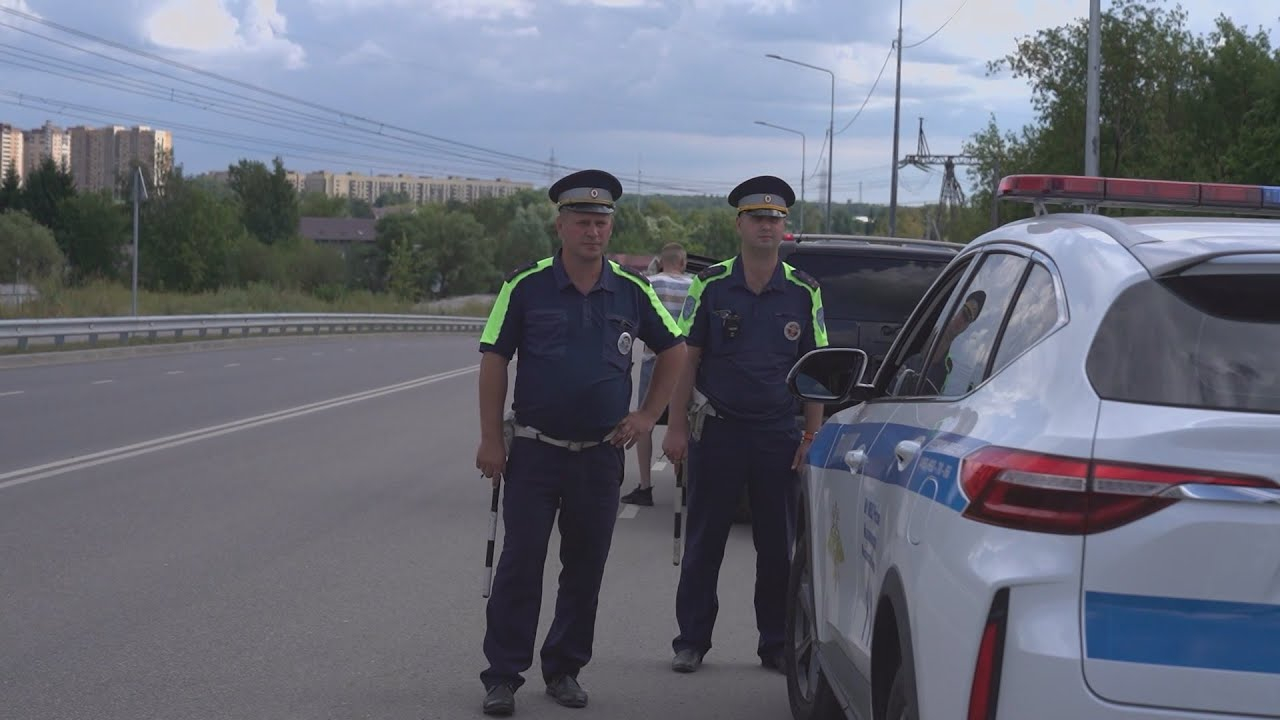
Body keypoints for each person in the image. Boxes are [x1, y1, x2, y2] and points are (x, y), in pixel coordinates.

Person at [474, 169, 686, 717]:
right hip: (535, 451)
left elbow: (675, 350)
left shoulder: (633, 289)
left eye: (601, 223)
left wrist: (648, 415)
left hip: (599, 456)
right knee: (521, 565)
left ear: (610, 229)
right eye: (583, 222)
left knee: (585, 568)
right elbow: (494, 358)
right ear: (561, 226)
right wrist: (490, 438)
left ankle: (564, 669)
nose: (593, 232)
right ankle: (502, 676)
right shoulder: (525, 286)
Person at [661, 175, 828, 674]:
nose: (766, 226)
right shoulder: (710, 284)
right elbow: (687, 360)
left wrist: (811, 436)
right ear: (739, 224)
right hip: (718, 431)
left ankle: (775, 643)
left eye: (774, 219)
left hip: (777, 434)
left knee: (777, 548)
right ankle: (691, 641)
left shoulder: (804, 290)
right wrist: (675, 428)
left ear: (784, 227)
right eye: (757, 218)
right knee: (704, 542)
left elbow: (816, 371)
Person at [620, 242, 694, 507]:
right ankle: (681, 483)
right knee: (684, 423)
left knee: (645, 421)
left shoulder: (650, 283)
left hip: (654, 362)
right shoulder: (694, 285)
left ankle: (645, 486)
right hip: (686, 365)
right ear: (683, 263)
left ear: (661, 262)